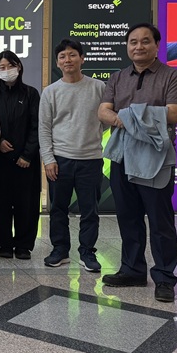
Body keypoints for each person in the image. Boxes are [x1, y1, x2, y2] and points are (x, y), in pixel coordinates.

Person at [98, 23, 177, 303]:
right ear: (127, 46)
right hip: (122, 157)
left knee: (160, 220)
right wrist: (133, 118)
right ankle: (133, 270)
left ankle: (164, 277)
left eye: (145, 41)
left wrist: (128, 117)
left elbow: (174, 113)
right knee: (128, 216)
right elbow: (103, 111)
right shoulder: (117, 77)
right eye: (133, 42)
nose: (139, 46)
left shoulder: (172, 76)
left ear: (157, 45)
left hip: (156, 158)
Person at [40, 39, 106, 272]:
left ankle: (87, 252)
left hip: (91, 159)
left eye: (72, 55)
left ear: (82, 58)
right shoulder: (51, 92)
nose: (67, 60)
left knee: (90, 210)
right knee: (58, 209)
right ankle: (60, 250)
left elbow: (107, 119)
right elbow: (44, 128)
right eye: (62, 56)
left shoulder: (99, 87)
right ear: (58, 63)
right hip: (60, 160)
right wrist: (48, 159)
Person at [0, 50, 41, 260]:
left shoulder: (31, 94)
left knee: (27, 203)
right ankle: (5, 243)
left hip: (26, 160)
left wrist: (27, 154)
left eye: (10, 66)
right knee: (1, 202)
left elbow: (37, 126)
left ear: (19, 67)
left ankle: (24, 244)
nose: (6, 70)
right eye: (2, 67)